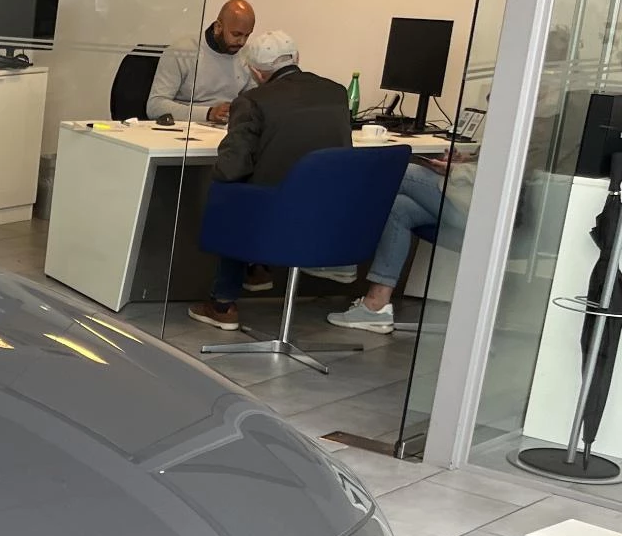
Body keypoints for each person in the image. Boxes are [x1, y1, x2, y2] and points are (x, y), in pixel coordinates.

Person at [188, 29, 353, 331]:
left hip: (276, 218)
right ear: (297, 58)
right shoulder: (337, 92)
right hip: (332, 216)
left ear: (256, 72)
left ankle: (223, 304)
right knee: (266, 187)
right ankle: (257, 270)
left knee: (231, 193)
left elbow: (231, 167)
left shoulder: (252, 101)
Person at [324, 153, 470, 333]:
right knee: (399, 209)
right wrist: (467, 159)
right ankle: (375, 307)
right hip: (471, 199)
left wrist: (457, 169)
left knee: (395, 173)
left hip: (483, 211)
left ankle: (342, 258)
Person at [148, 0, 257, 124]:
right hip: (185, 127)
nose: (242, 42)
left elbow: (253, 103)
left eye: (247, 35)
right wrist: (208, 113)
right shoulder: (184, 51)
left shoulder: (248, 55)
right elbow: (155, 106)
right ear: (218, 27)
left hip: (228, 128)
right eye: (236, 34)